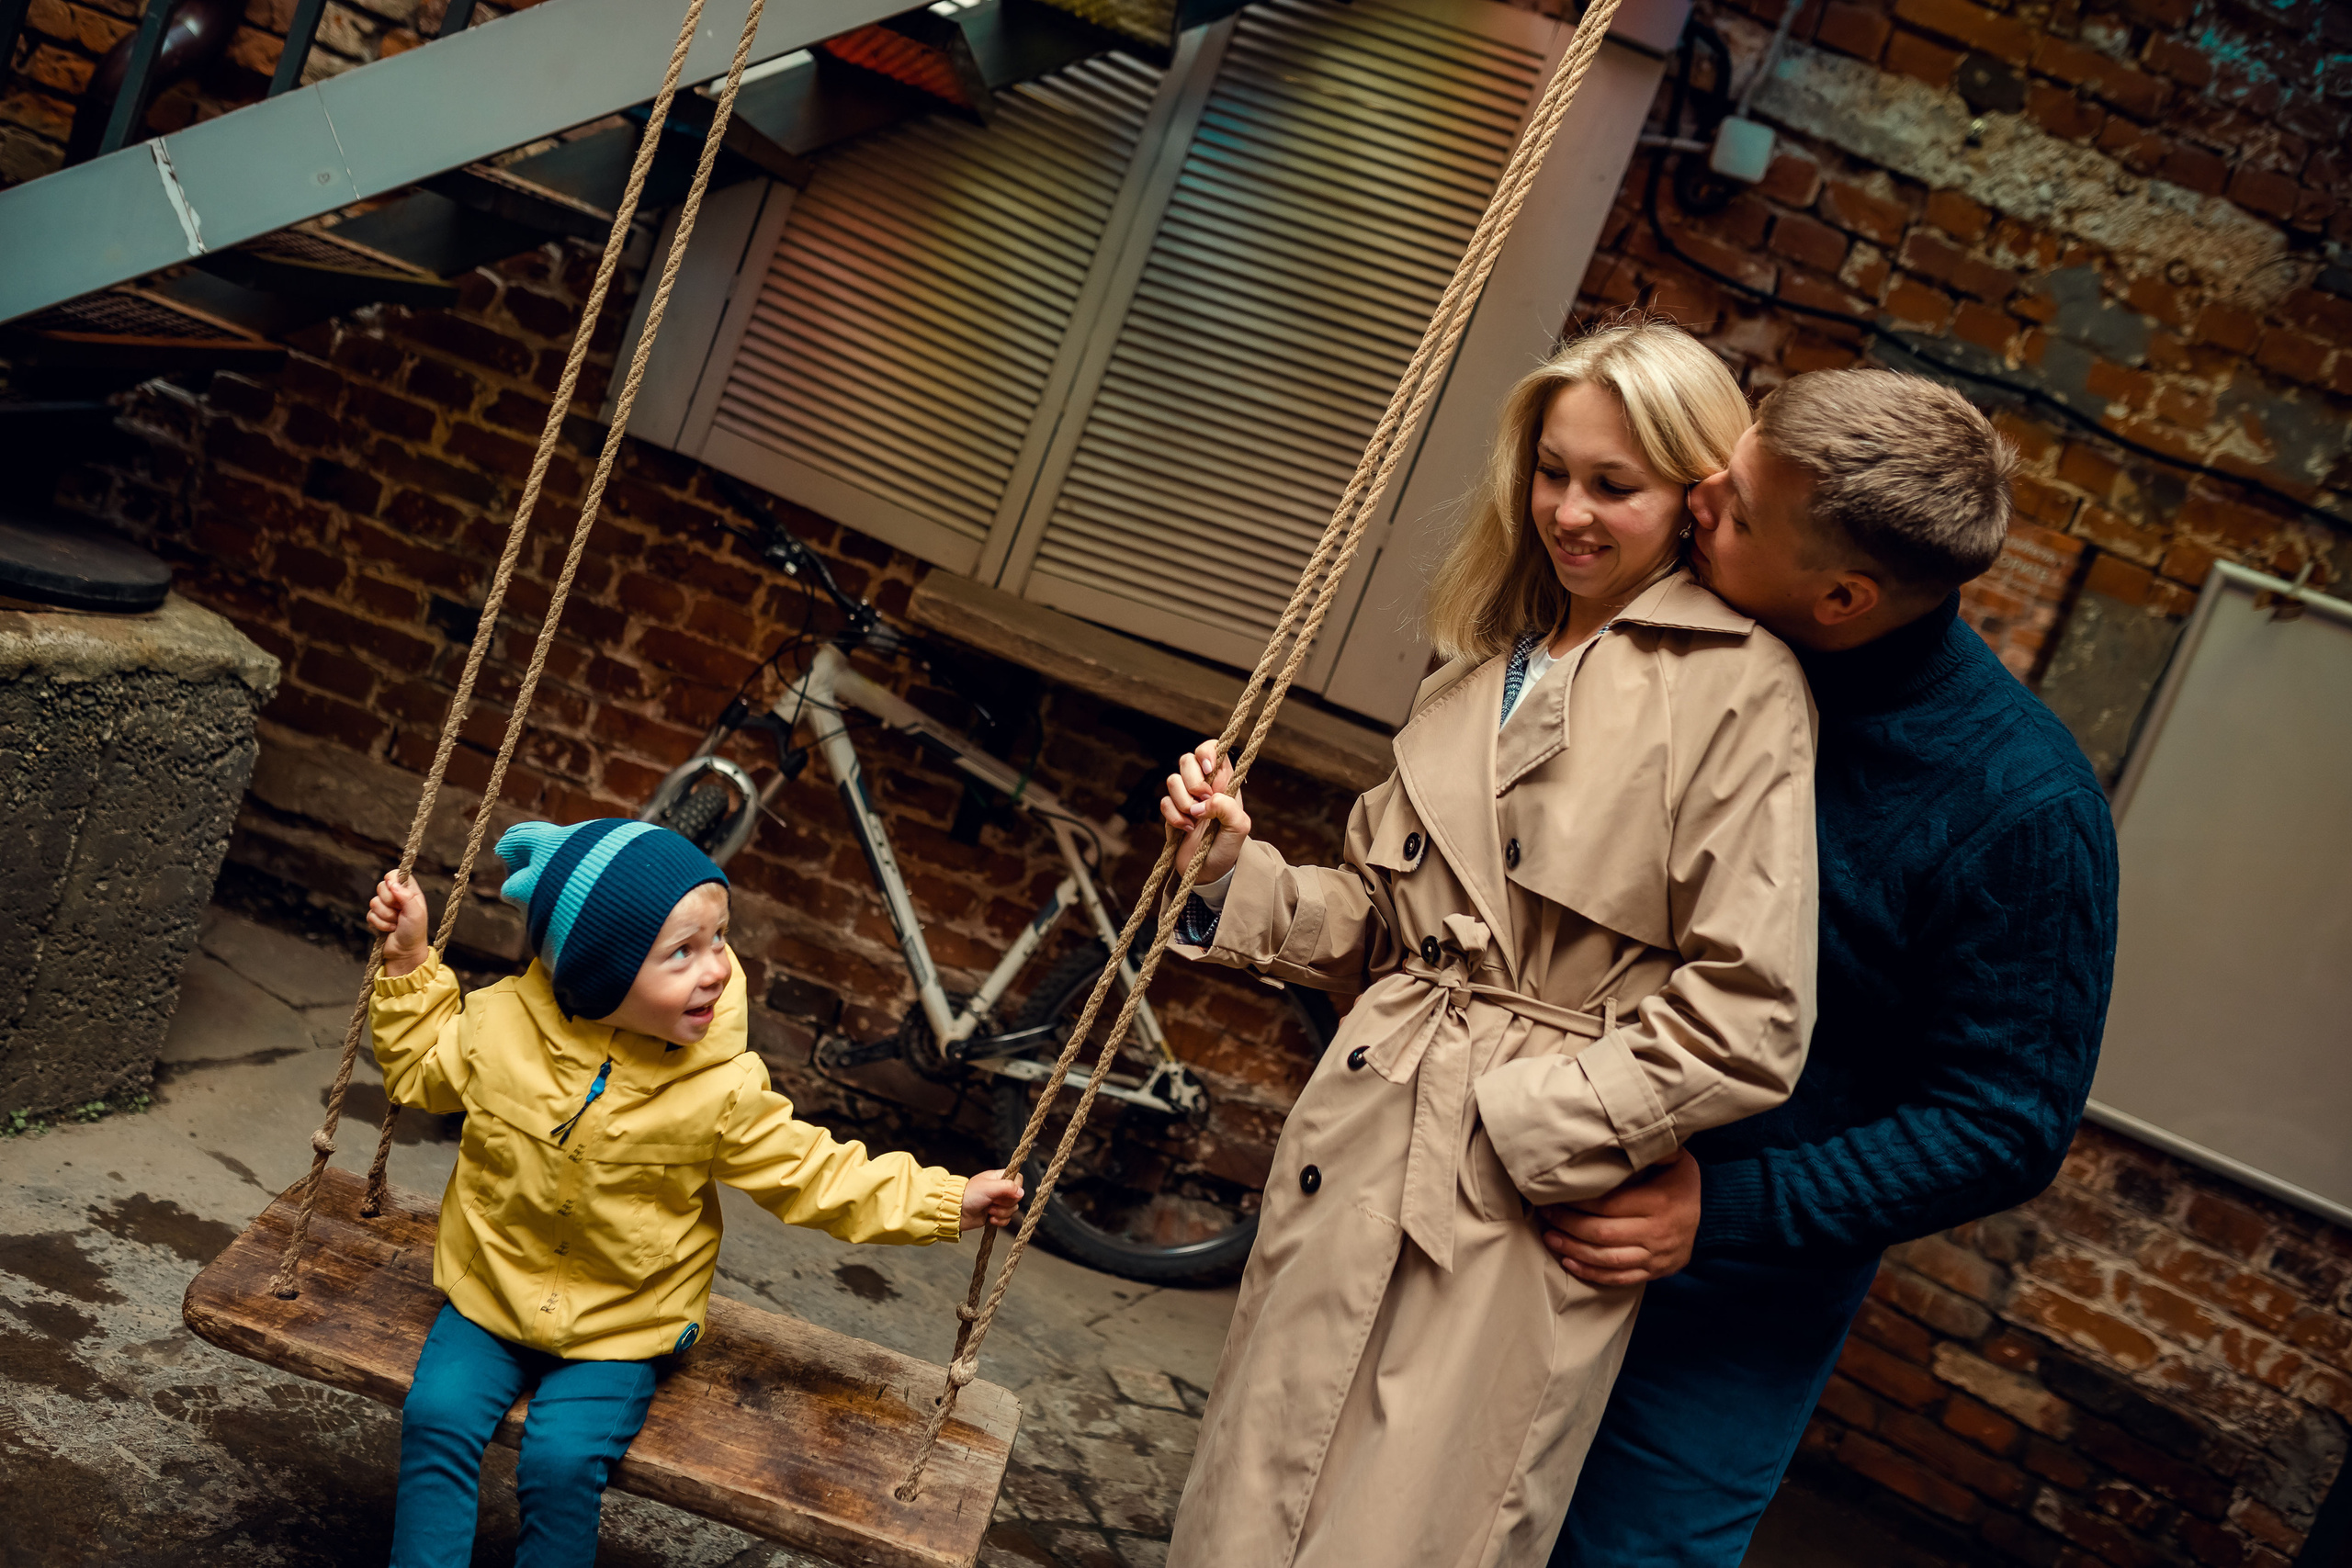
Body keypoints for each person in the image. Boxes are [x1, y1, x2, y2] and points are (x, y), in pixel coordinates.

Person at [1155, 318, 1821, 1568]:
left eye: (1613, 485)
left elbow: (1754, 1012)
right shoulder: (1478, 661)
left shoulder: (1742, 686)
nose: (1570, 510)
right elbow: (1381, 928)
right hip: (1360, 1141)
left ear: (1694, 491)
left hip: (1520, 1196)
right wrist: (1225, 866)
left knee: (1411, 1530)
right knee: (1252, 1500)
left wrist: (1525, 1128)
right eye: (1553, 470)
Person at [1541, 368, 2120, 1567]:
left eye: (1741, 507)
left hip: (1732, 1291)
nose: (1699, 495)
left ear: (1844, 595)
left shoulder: (2022, 809)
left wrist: (1725, 1207)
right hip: (1532, 1187)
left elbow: (2005, 1121)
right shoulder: (1678, 632)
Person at [363, 818, 1025, 1568]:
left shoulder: (718, 1086)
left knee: (560, 1460)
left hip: (623, 1324)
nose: (714, 967)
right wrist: (412, 959)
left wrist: (946, 1201)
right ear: (598, 972)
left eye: (719, 939)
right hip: (488, 1289)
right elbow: (420, 1069)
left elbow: (817, 1172)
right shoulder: (496, 1027)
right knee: (438, 1417)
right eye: (681, 951)